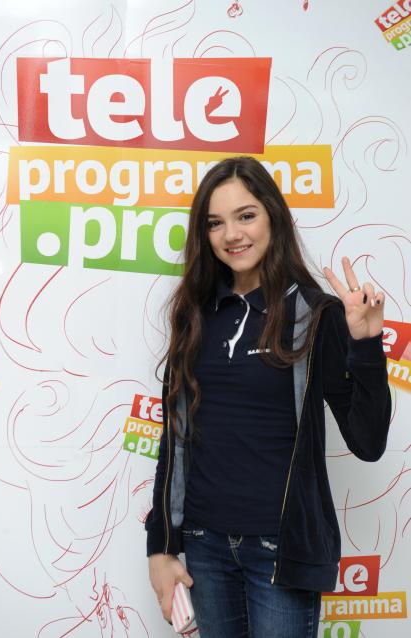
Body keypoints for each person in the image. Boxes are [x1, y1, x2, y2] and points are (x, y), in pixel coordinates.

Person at [145, 156, 391, 638]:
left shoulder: (316, 315)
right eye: (215, 223)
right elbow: (174, 441)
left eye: (246, 215)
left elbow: (368, 442)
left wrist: (365, 345)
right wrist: (162, 546)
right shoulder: (194, 315)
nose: (231, 234)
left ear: (273, 217)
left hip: (281, 551)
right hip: (205, 545)